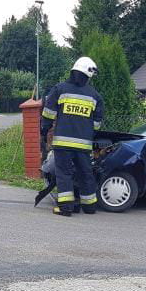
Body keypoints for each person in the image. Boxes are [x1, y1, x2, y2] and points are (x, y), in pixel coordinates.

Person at [40, 57, 104, 217]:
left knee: (64, 174)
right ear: (87, 75)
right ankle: (89, 207)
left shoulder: (60, 89)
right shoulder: (95, 96)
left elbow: (48, 114)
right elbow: (97, 124)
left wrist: (44, 130)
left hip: (63, 143)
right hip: (83, 145)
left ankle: (66, 208)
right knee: (85, 173)